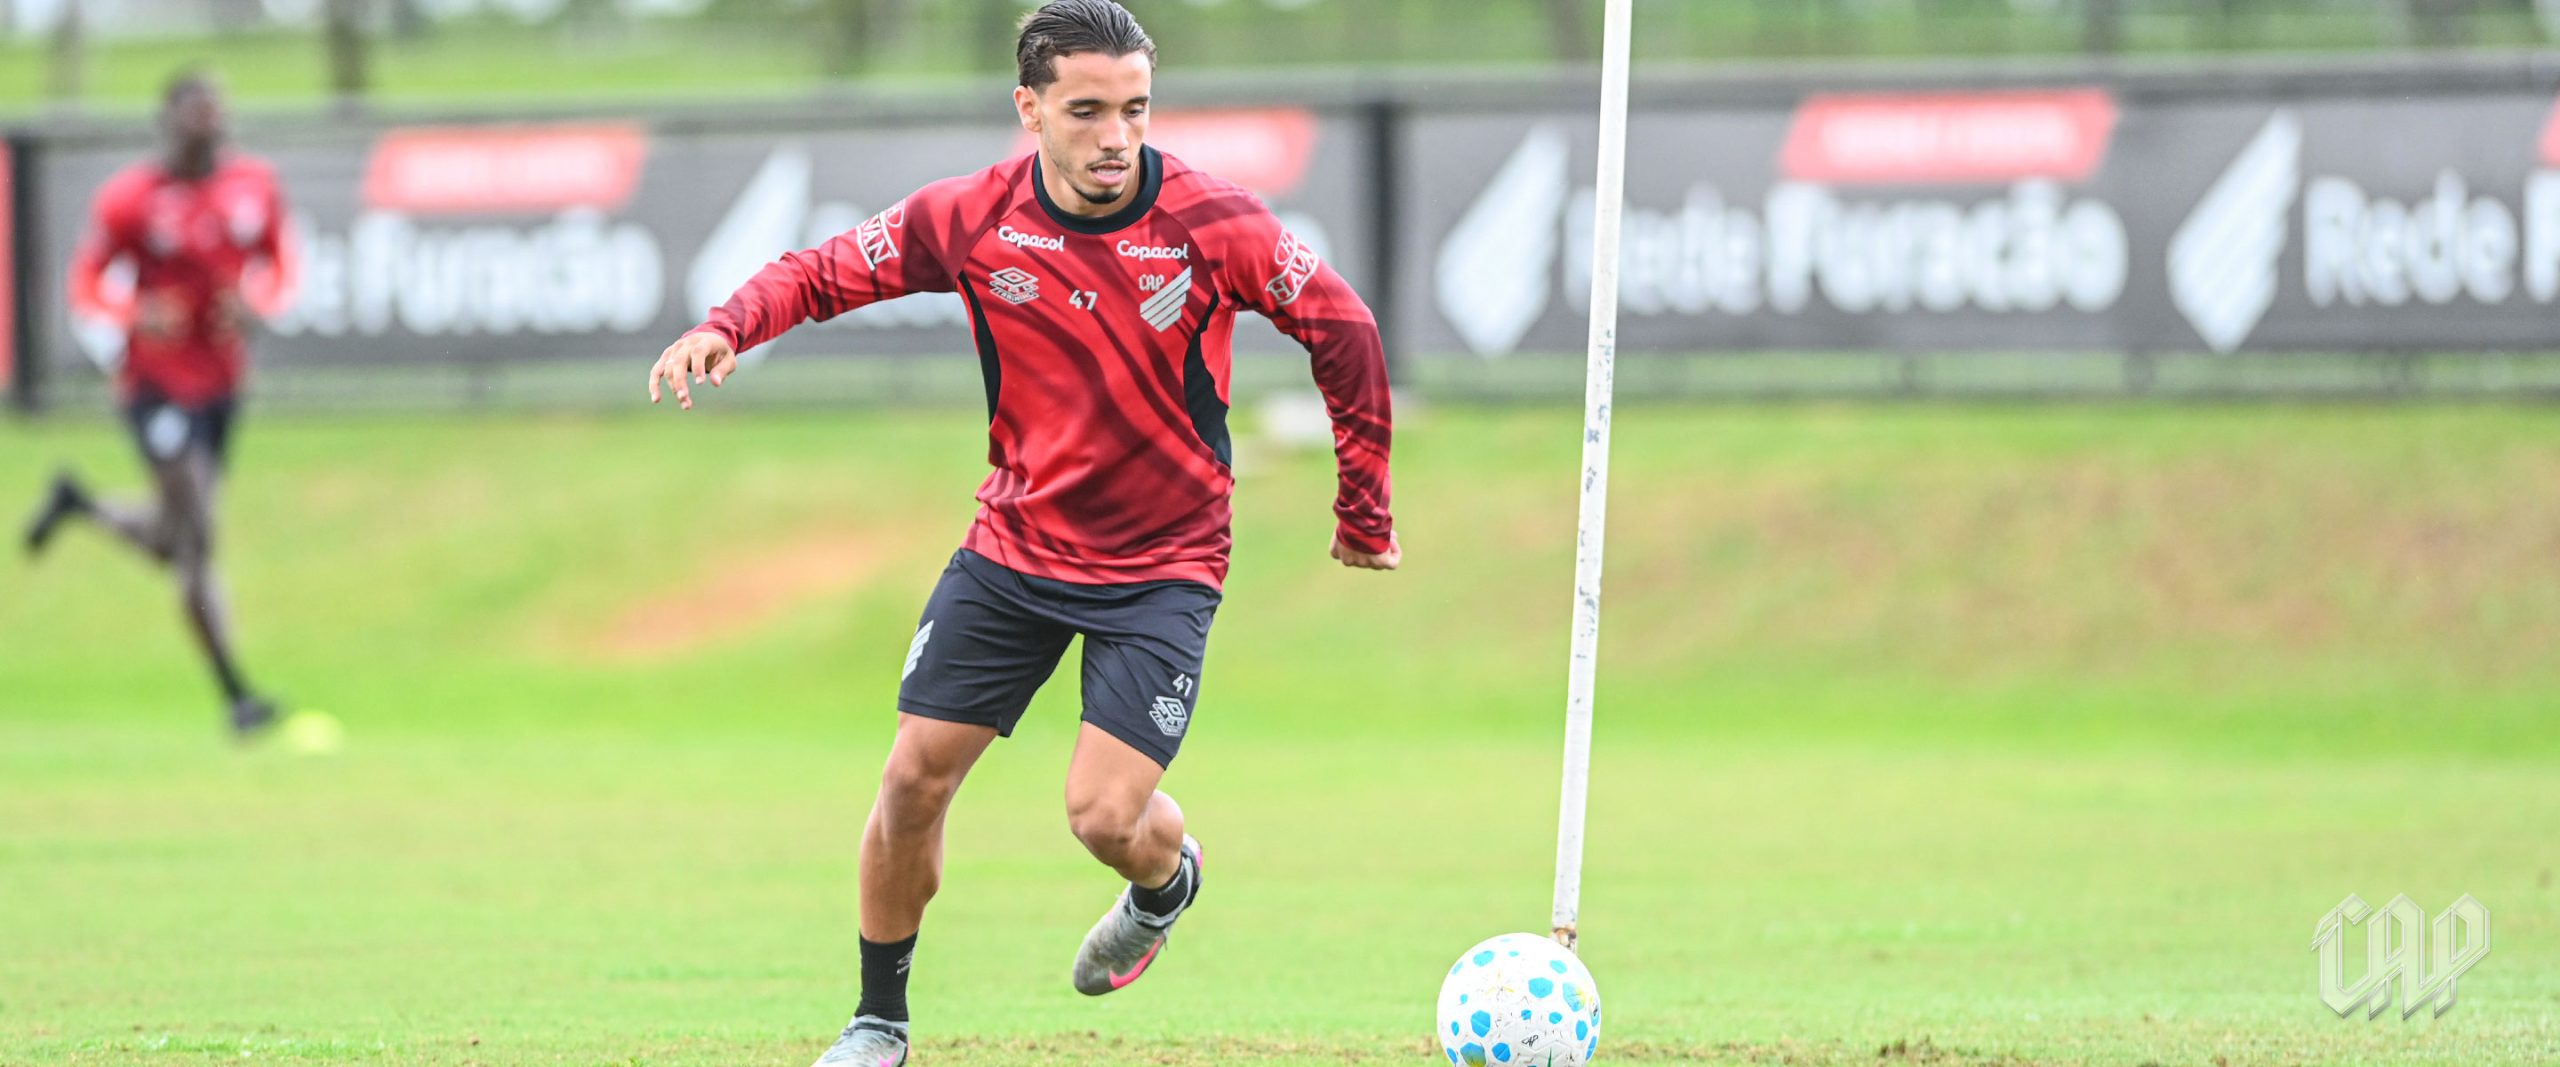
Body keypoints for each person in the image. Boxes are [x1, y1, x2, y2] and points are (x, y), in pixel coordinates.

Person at [648, 3, 1398, 1063]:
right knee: (911, 779)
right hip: (1014, 548)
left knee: (1102, 816)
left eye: (1134, 109)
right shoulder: (973, 216)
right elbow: (819, 271)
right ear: (1030, 108)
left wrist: (1363, 509)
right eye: (1086, 110)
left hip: (1163, 565)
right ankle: (877, 1023)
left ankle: (1165, 881)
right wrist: (726, 325)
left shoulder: (1213, 222)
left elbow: (1344, 328)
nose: (1115, 136)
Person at [22, 70, 298, 739]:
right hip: (155, 385)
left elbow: (280, 263)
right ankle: (237, 695)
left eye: (215, 109)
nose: (209, 121)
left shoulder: (253, 185)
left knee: (174, 540)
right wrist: (134, 313)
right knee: (196, 533)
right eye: (195, 110)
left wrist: (258, 304)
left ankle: (80, 504)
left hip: (222, 384)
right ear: (169, 120)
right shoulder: (132, 199)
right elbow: (87, 281)